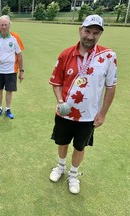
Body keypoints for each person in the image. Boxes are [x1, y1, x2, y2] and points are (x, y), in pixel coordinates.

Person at [49, 15, 117, 194]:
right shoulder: (66, 54)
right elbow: (56, 82)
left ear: (100, 34)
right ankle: (60, 167)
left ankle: (73, 174)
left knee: (80, 146)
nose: (90, 36)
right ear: (80, 30)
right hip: (65, 112)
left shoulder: (108, 56)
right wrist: (60, 101)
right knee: (62, 142)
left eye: (96, 33)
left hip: (89, 115)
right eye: (87, 31)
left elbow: (111, 88)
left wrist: (102, 113)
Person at [0, 15, 24, 119]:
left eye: (6, 25)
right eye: (2, 25)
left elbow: (20, 55)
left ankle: (8, 109)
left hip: (11, 70)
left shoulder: (15, 37)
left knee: (9, 90)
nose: (4, 27)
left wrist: (22, 71)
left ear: (9, 25)